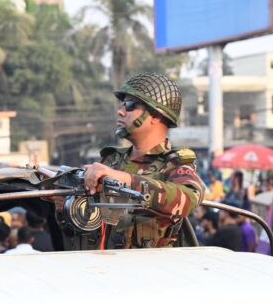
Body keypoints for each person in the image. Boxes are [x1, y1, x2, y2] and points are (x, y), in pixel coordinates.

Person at [60, 72, 205, 249]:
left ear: (156, 116)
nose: (120, 111)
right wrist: (65, 205)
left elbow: (189, 198)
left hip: (150, 265)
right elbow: (88, 226)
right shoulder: (112, 160)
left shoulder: (174, 164)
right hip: (104, 262)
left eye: (130, 105)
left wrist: (124, 179)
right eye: (122, 105)